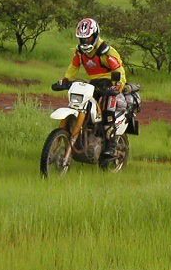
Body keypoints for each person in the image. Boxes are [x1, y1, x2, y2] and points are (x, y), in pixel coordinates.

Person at [51, 17, 128, 166]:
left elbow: (119, 70)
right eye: (83, 39)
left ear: (96, 35)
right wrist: (66, 79)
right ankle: (74, 137)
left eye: (89, 38)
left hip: (108, 84)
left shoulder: (106, 52)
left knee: (107, 113)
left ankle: (110, 149)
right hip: (93, 83)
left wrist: (117, 85)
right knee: (79, 105)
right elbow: (74, 67)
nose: (86, 41)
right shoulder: (80, 53)